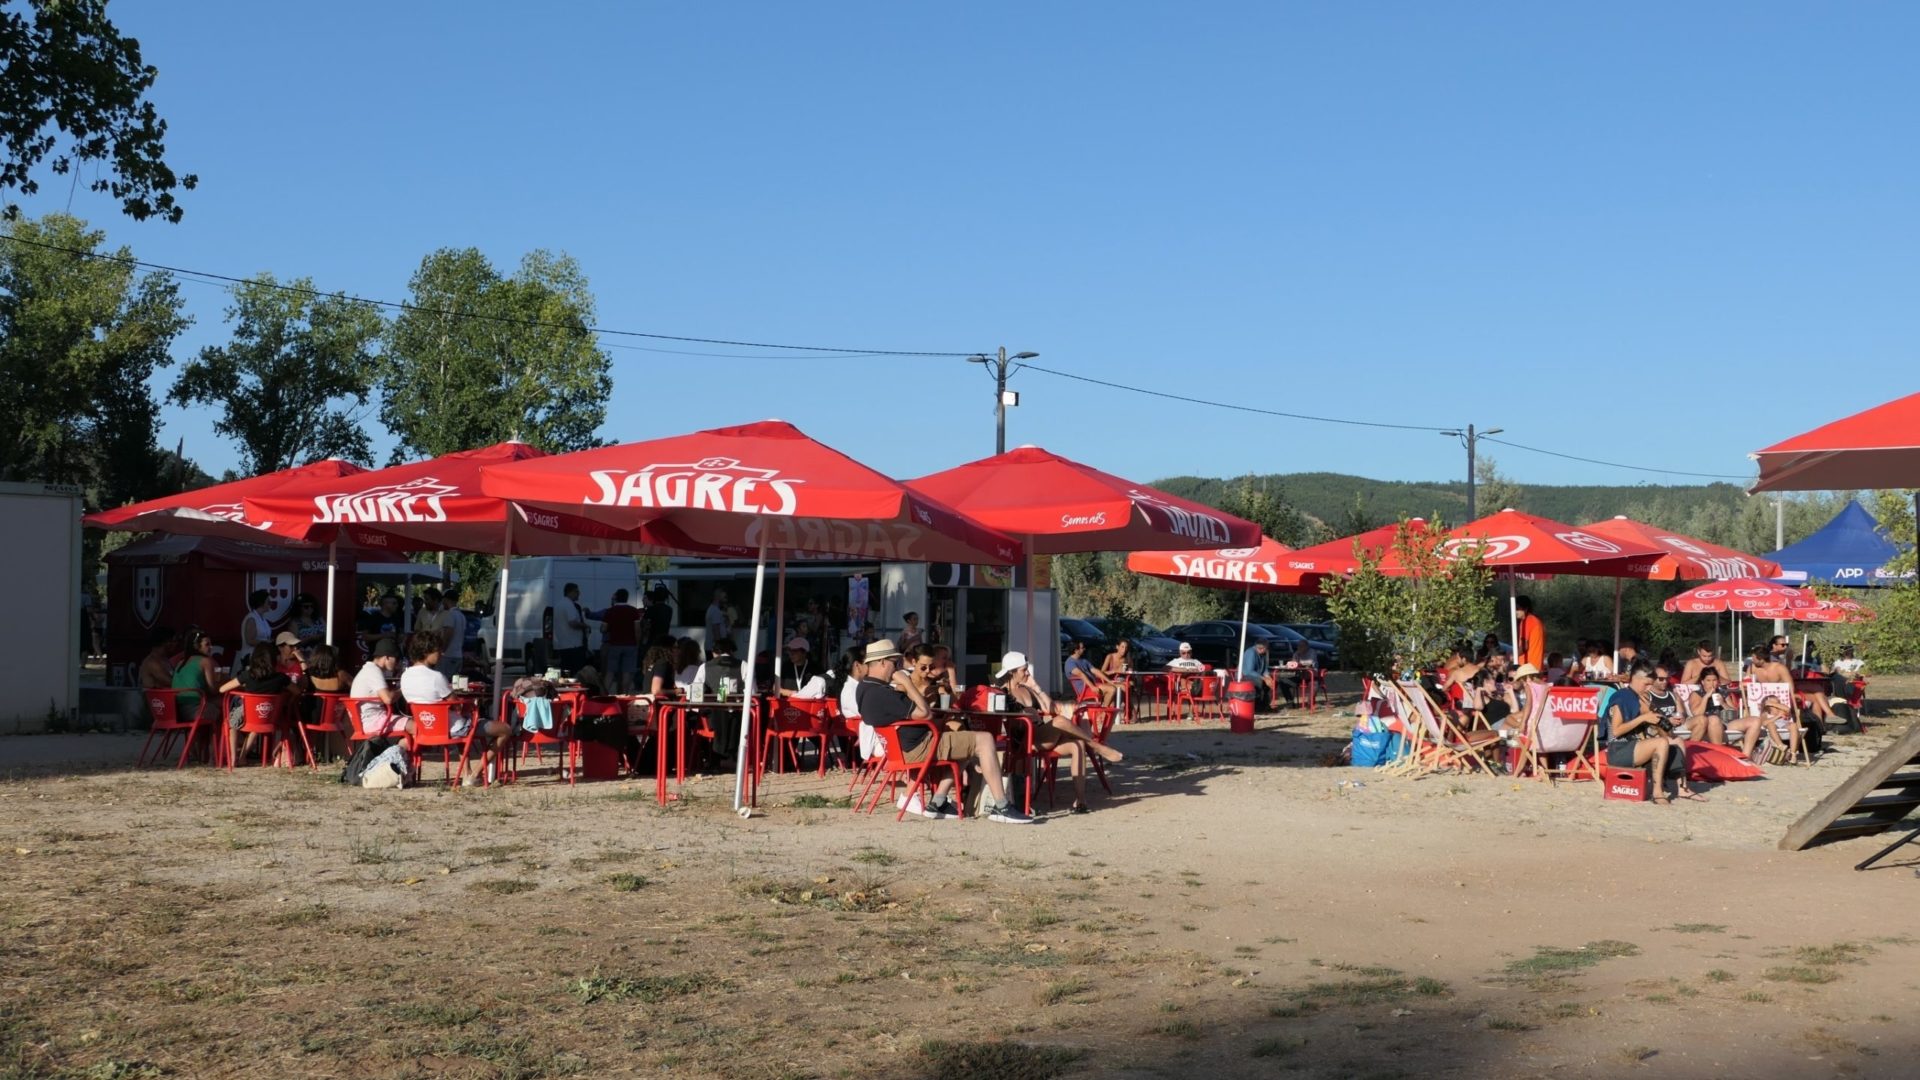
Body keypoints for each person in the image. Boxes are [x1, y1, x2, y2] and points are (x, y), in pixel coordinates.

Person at [855, 639, 1031, 824]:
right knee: (985, 739)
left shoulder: (865, 688)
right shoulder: (883, 693)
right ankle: (1001, 806)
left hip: (901, 748)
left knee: (965, 741)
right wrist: (907, 683)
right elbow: (925, 713)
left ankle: (938, 802)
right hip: (918, 747)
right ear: (883, 662)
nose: (898, 667)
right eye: (895, 662)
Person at [998, 650, 1124, 815]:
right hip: (1026, 738)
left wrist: (1036, 687)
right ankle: (1095, 745)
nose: (1027, 672)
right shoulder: (1003, 694)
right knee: (1059, 721)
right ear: (1012, 672)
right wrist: (1026, 715)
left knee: (1077, 744)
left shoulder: (1027, 689)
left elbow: (1050, 709)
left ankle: (1080, 801)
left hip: (1042, 734)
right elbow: (1008, 723)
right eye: (1023, 670)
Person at [400, 629, 508, 786]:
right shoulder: (436, 677)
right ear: (427, 651)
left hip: (424, 728)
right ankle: (475, 774)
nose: (441, 654)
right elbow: (456, 705)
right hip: (450, 728)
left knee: (459, 723)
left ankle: (467, 771)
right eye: (438, 650)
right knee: (504, 729)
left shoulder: (405, 676)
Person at [1604, 663, 1701, 805]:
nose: (1649, 688)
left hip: (1636, 745)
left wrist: (1659, 718)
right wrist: (1643, 718)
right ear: (1636, 679)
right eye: (1646, 684)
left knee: (1677, 741)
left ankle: (1683, 788)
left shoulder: (1640, 698)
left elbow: (1666, 732)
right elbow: (1617, 731)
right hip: (1619, 748)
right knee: (1661, 743)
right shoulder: (1621, 697)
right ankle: (1657, 792)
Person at [220, 645, 295, 767]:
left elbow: (222, 689)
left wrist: (242, 688)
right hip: (269, 718)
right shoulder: (281, 678)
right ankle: (243, 756)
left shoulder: (248, 675)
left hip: (247, 716)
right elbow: (296, 691)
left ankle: (233, 758)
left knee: (232, 723)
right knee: (257, 722)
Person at [350, 637, 406, 737]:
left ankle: (398, 751)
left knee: (409, 731)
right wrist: (404, 689)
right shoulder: (373, 671)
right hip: (372, 721)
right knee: (416, 727)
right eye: (396, 659)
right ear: (387, 657)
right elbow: (388, 699)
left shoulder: (369, 669)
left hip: (368, 720)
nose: (397, 663)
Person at [591, 589, 642, 694]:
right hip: (630, 645)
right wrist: (637, 643)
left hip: (614, 644)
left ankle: (603, 695)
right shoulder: (633, 611)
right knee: (626, 672)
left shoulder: (610, 611)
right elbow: (637, 629)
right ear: (627, 597)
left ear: (616, 598)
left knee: (610, 672)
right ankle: (624, 695)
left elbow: (603, 629)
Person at [169, 629, 218, 722]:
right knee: (226, 708)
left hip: (175, 711)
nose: (211, 647)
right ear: (196, 646)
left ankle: (199, 736)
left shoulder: (180, 662)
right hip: (195, 709)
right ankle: (216, 736)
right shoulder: (205, 661)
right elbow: (213, 690)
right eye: (207, 644)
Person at [1686, 668, 1736, 747]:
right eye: (1708, 680)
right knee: (1714, 719)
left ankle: (1747, 755)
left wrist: (1723, 703)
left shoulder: (1722, 692)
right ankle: (1719, 752)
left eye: (1714, 680)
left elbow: (1734, 714)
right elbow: (1697, 714)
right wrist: (1706, 697)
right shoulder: (1696, 694)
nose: (1712, 683)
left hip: (1723, 722)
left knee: (1754, 721)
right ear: (1702, 682)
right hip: (1703, 724)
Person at [1064, 640, 1117, 706]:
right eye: (1082, 648)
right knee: (1112, 689)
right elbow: (1081, 674)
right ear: (1076, 650)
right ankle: (1103, 712)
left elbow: (1095, 670)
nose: (1084, 649)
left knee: (1113, 699)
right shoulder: (1070, 663)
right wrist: (1092, 687)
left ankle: (1104, 713)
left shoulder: (1084, 661)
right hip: (1084, 689)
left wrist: (1109, 681)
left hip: (1093, 684)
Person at [432, 590, 466, 680]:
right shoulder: (461, 616)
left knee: (443, 681)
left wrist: (442, 650)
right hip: (458, 655)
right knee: (455, 683)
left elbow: (448, 633)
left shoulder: (450, 615)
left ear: (446, 600)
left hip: (448, 656)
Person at [1239, 638, 1280, 709]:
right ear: (1262, 648)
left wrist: (1269, 678)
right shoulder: (1250, 653)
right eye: (1267, 648)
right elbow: (1249, 671)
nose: (1267, 650)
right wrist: (1264, 678)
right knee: (1259, 682)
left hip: (1257, 676)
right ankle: (1257, 706)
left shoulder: (1262, 654)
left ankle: (1265, 704)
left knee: (1274, 681)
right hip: (1245, 676)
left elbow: (1264, 669)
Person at [239, 588, 274, 660]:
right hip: (250, 657)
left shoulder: (263, 620)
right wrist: (267, 643)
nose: (270, 604)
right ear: (261, 603)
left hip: (261, 657)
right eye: (268, 602)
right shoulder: (251, 619)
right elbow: (250, 640)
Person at [1514, 597, 1545, 671]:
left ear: (1525, 609)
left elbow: (1524, 645)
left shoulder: (1527, 621)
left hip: (1528, 666)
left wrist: (1514, 657)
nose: (1515, 612)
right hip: (1535, 665)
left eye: (1518, 609)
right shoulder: (1536, 620)